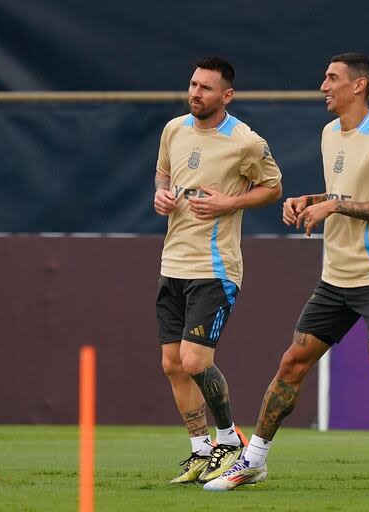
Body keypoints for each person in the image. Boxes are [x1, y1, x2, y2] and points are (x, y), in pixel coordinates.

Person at [205, 53, 369, 495]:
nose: (323, 85)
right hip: (335, 279)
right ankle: (253, 461)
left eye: (332, 78)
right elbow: (343, 193)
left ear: (358, 86)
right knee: (292, 363)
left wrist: (335, 205)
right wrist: (310, 199)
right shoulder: (329, 133)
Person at [153, 56, 282, 483]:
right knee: (172, 362)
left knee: (193, 358)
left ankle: (230, 439)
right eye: (192, 84)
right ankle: (200, 449)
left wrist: (229, 202)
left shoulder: (245, 141)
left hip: (214, 266)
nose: (195, 93)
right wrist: (161, 197)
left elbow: (273, 187)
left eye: (206, 88)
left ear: (226, 95)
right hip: (173, 261)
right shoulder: (174, 129)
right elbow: (163, 175)